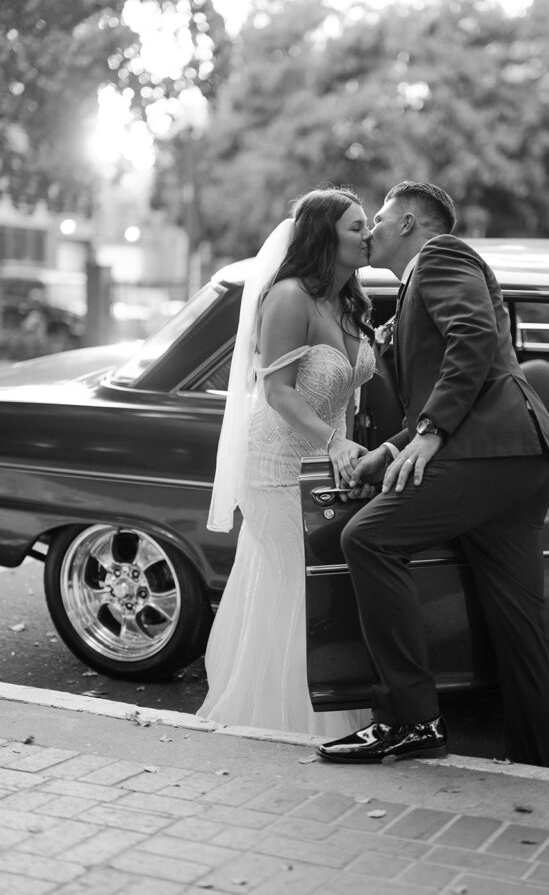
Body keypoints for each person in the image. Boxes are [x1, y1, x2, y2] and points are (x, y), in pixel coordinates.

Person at [317, 181, 549, 767]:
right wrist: (396, 447)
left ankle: (410, 720)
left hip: (489, 451)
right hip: (517, 457)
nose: (371, 230)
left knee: (368, 539)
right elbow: (446, 381)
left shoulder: (441, 254)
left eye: (377, 218)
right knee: (518, 626)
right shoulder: (415, 286)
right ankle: (535, 768)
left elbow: (473, 341)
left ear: (407, 222)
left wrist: (426, 435)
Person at [198, 187, 375, 736]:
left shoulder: (349, 301)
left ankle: (314, 703)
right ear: (325, 236)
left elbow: (350, 380)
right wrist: (335, 442)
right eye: (356, 226)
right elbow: (277, 390)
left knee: (313, 584)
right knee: (294, 582)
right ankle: (289, 721)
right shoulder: (289, 297)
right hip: (277, 463)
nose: (368, 235)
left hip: (326, 467)